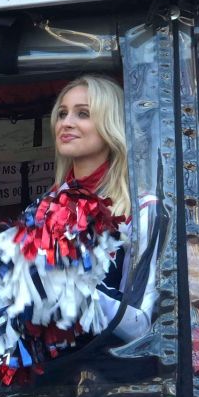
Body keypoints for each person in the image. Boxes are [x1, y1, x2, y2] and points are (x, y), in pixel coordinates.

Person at [50, 74, 158, 342]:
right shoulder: (41, 210)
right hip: (44, 375)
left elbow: (140, 324)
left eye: (83, 113)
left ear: (110, 124)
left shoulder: (141, 209)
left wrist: (75, 290)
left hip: (108, 376)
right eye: (62, 114)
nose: (66, 123)